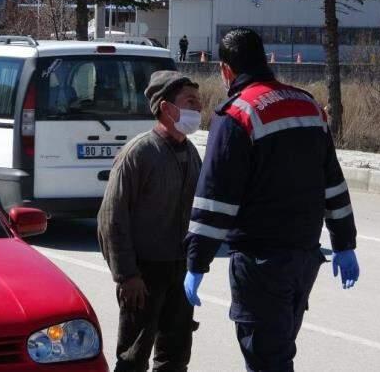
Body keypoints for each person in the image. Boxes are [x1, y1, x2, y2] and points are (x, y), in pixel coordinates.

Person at [182, 28, 361, 372]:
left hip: (260, 263)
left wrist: (196, 262)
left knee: (267, 359)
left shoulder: (237, 115)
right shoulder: (308, 105)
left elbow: (216, 200)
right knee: (278, 351)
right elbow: (333, 183)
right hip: (304, 259)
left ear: (226, 70)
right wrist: (343, 242)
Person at [98, 70, 203, 372]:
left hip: (180, 271)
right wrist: (127, 275)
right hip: (143, 274)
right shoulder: (139, 153)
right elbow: (111, 217)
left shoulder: (192, 153)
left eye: (198, 102)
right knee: (133, 357)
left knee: (175, 356)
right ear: (167, 108)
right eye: (190, 102)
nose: (197, 108)